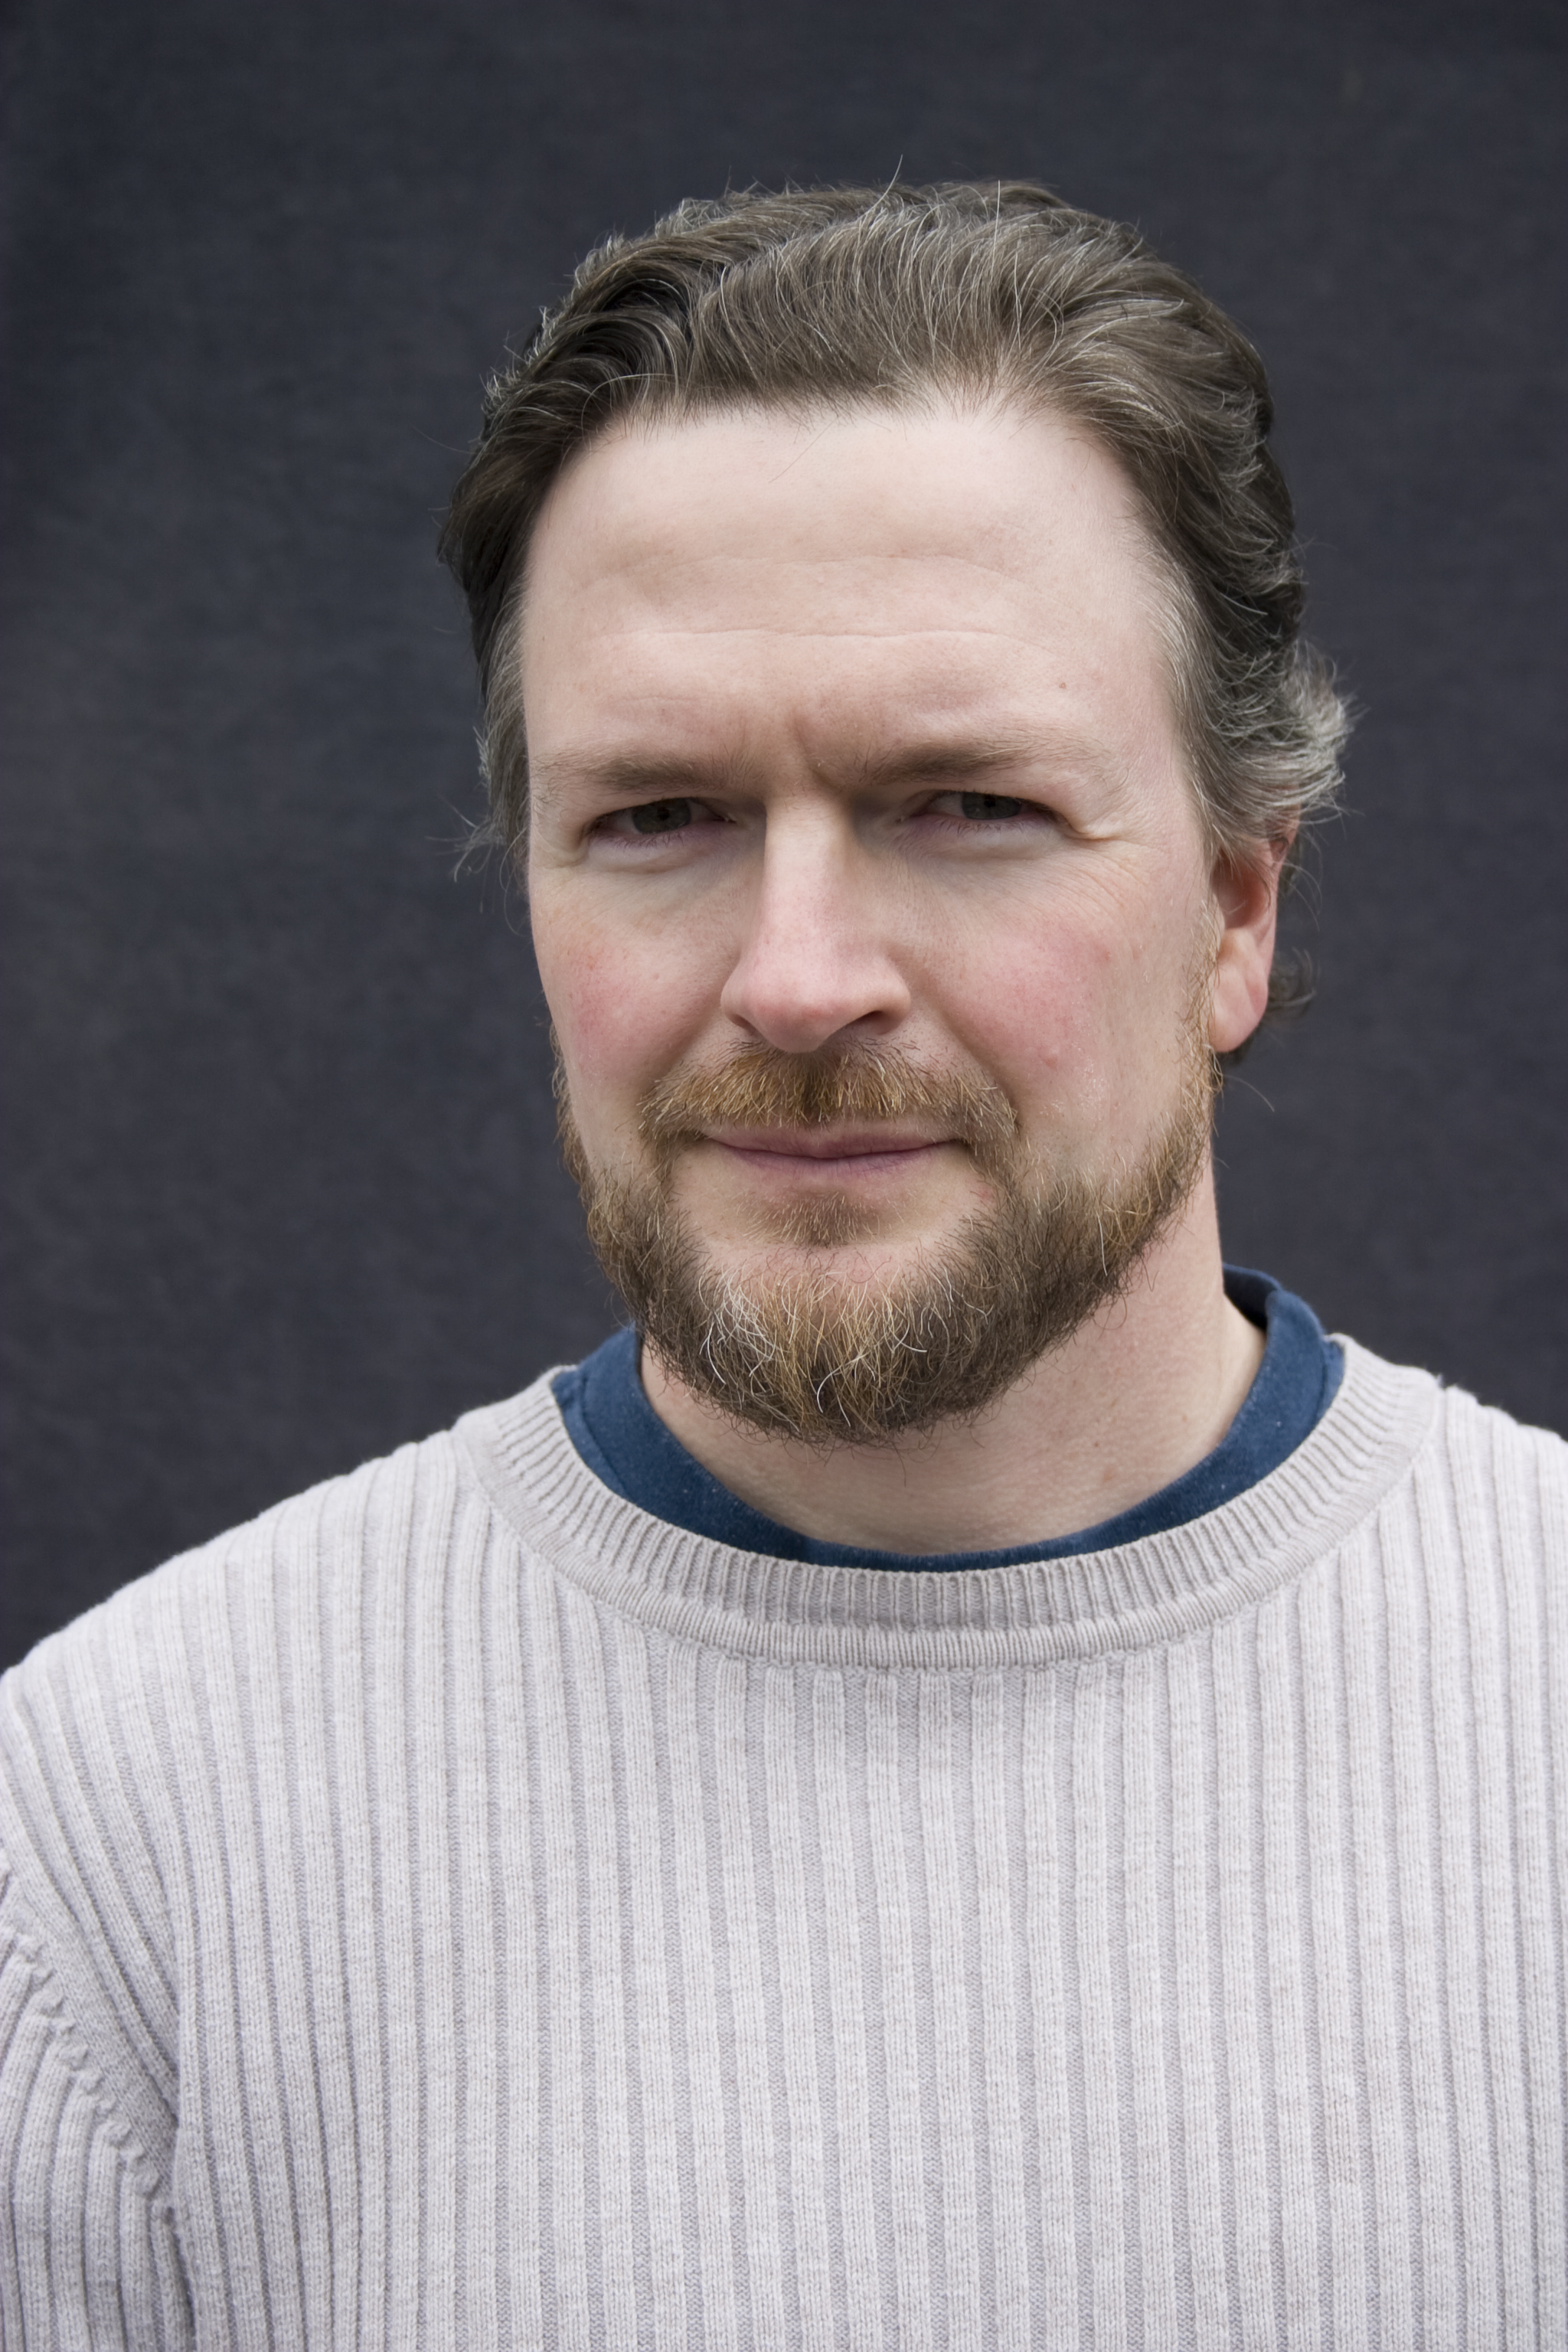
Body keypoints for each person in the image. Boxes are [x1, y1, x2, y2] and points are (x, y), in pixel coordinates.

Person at [2, 184, 1563, 2351]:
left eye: (968, 806)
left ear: (1235, 905)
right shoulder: (115, 1839)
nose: (800, 980)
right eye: (658, 818)